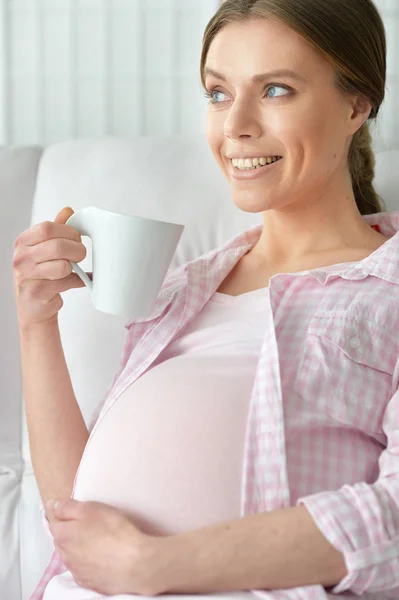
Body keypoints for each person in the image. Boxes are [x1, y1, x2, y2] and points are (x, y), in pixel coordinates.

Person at [13, 1, 399, 599]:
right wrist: (36, 322)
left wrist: (156, 567)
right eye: (218, 94)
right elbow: (76, 515)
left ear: (356, 104)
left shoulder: (388, 287)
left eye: (275, 89)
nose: (236, 125)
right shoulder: (181, 291)